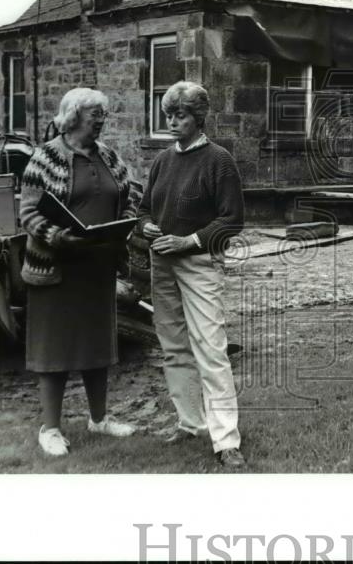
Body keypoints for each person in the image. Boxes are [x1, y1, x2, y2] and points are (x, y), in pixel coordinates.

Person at [18, 87, 140, 456]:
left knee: (96, 344)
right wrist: (57, 235)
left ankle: (99, 419)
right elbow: (28, 213)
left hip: (97, 267)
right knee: (53, 348)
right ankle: (50, 428)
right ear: (73, 118)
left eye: (103, 115)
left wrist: (124, 222)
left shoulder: (109, 157)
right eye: (94, 115)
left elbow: (128, 195)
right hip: (56, 269)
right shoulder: (45, 158)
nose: (101, 121)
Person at [138, 80, 246, 469]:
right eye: (168, 115)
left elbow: (232, 220)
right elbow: (145, 208)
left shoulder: (219, 160)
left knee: (211, 348)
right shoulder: (163, 160)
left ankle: (226, 440)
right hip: (161, 263)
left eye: (179, 115)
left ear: (198, 118)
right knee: (173, 346)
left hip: (198, 263)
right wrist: (148, 226)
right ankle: (190, 423)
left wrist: (188, 242)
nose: (171, 122)